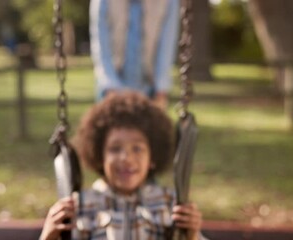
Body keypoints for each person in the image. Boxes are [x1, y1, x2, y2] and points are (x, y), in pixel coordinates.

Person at [40, 91, 207, 240]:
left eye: (137, 149)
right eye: (115, 149)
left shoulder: (170, 202)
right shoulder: (80, 205)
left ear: (152, 157)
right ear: (99, 155)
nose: (126, 158)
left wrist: (192, 234)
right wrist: (49, 235)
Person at [89, 0, 180, 109]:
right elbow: (101, 46)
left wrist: (161, 87)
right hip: (113, 79)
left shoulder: (168, 2)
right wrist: (110, 86)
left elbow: (166, 45)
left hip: (148, 83)